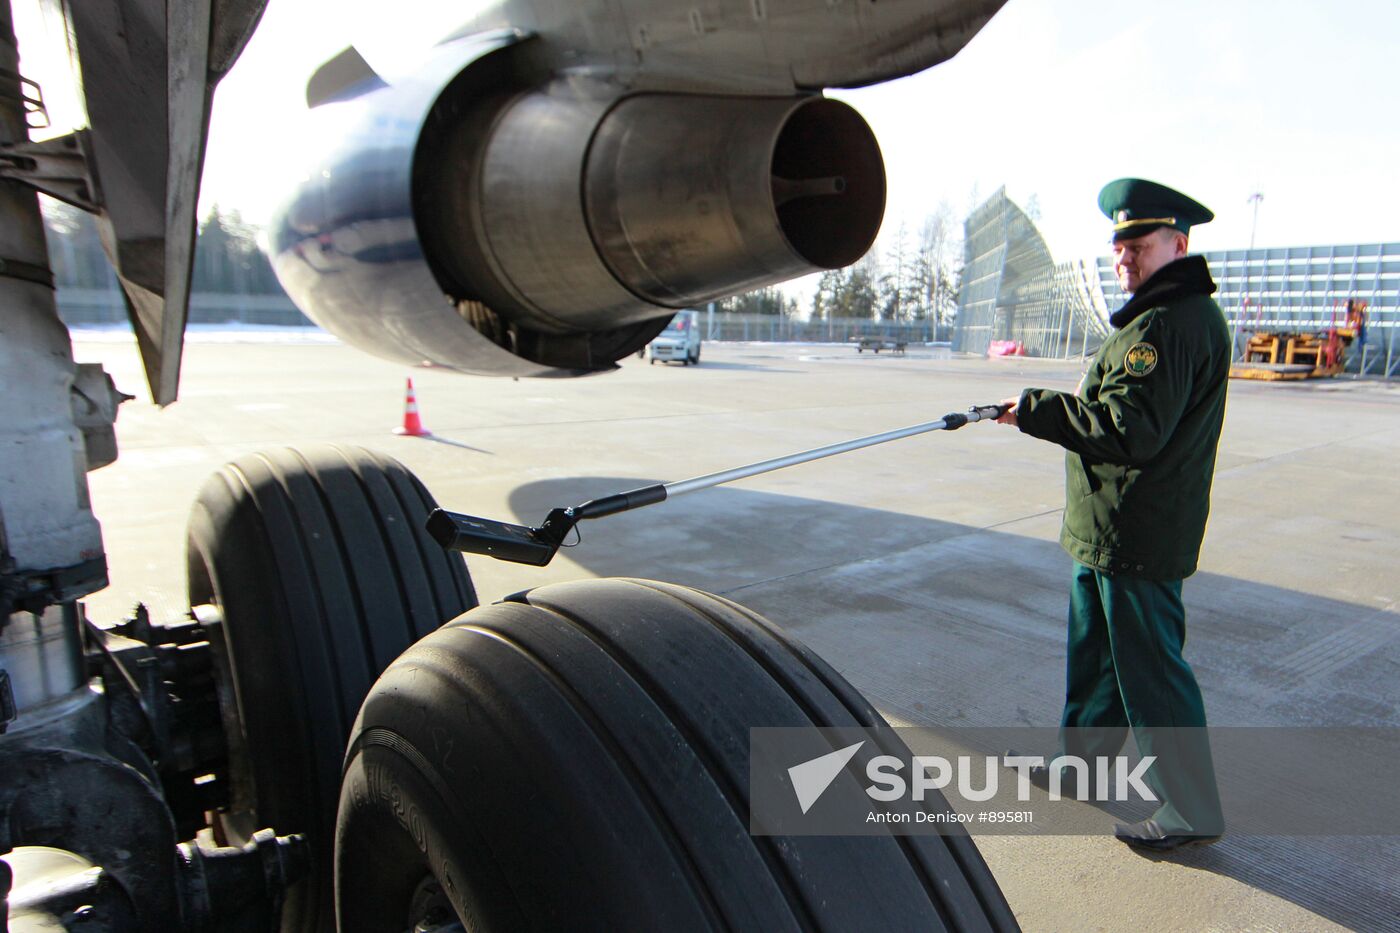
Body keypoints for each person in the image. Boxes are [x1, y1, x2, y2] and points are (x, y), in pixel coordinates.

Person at [996, 178, 1228, 852]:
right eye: (1120, 242)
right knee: (1095, 662)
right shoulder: (1161, 315)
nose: (1124, 254)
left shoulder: (1168, 323)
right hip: (1109, 531)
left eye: (1139, 242)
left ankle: (1191, 807)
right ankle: (1081, 766)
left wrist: (1035, 409)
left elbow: (1131, 429)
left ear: (1177, 244)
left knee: (1151, 672)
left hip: (1136, 535)